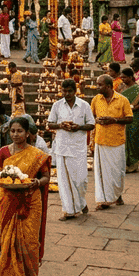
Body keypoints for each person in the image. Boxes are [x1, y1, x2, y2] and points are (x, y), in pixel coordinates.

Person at [0, 117, 51, 276]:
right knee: (8, 243)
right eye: (12, 131)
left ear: (28, 133)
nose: (15, 135)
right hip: (9, 200)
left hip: (31, 200)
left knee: (29, 243)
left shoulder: (36, 154)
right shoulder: (3, 152)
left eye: (19, 131)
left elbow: (46, 177)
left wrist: (36, 183)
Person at [47, 79, 94, 220]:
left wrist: (78, 127)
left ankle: (81, 202)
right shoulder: (57, 106)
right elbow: (50, 124)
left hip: (78, 147)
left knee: (81, 180)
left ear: (75, 91)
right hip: (62, 147)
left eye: (69, 91)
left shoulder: (84, 106)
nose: (66, 94)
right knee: (64, 181)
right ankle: (69, 210)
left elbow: (91, 124)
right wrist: (61, 125)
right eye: (64, 91)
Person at [90, 74, 133, 210]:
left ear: (108, 86)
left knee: (117, 172)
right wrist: (96, 121)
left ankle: (117, 195)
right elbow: (91, 117)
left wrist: (114, 120)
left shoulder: (122, 100)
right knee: (101, 173)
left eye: (100, 85)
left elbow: (130, 119)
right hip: (101, 140)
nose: (97, 87)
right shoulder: (96, 100)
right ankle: (104, 200)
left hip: (117, 141)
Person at [119, 67, 139, 174]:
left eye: (125, 77)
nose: (123, 80)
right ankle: (124, 163)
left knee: (133, 138)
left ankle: (133, 164)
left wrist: (132, 108)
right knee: (123, 139)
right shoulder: (121, 87)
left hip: (134, 117)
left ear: (131, 77)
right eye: (122, 77)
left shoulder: (138, 89)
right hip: (122, 115)